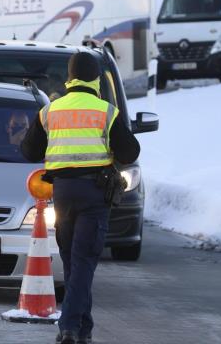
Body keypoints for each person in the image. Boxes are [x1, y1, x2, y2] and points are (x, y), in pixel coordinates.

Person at [22, 52, 140, 344]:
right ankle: (69, 327)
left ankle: (83, 329)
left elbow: (28, 150)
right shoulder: (105, 111)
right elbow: (131, 152)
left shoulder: (50, 111)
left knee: (74, 262)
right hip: (94, 194)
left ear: (70, 79)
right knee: (84, 260)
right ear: (96, 80)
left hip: (62, 193)